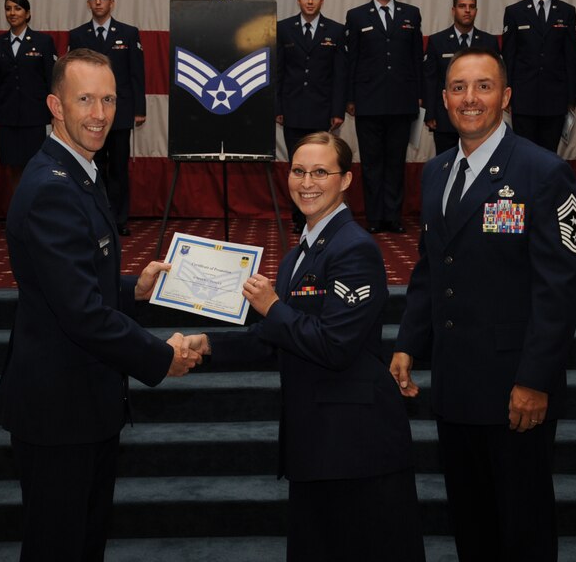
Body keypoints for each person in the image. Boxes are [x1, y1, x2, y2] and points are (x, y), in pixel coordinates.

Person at [182, 132, 425, 562]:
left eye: (320, 172)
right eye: (298, 171)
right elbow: (278, 339)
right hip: (317, 443)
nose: (306, 182)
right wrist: (208, 345)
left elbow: (335, 346)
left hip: (357, 447)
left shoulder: (355, 249)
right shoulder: (300, 255)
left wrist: (272, 307)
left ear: (346, 180)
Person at [0, 48, 200, 562]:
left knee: (83, 543)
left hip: (83, 404)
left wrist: (133, 288)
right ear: (55, 105)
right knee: (59, 547)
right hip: (59, 412)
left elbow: (74, 283)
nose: (99, 113)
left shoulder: (79, 170)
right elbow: (81, 314)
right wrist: (161, 357)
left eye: (108, 99)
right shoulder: (52, 187)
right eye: (84, 99)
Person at [390, 48, 576, 561]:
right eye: (458, 87)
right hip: (455, 386)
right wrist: (409, 343)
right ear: (444, 98)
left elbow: (558, 291)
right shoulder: (435, 173)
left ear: (506, 96)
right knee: (471, 526)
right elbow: (432, 270)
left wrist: (535, 380)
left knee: (522, 529)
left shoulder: (544, 172)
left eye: (483, 86)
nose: (470, 99)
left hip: (515, 391)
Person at [345, 0, 423, 234]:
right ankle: (375, 218)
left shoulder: (411, 14)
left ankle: (393, 216)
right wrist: (351, 98)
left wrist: (418, 96)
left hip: (402, 102)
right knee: (371, 163)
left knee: (395, 161)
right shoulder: (356, 16)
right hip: (368, 102)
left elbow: (416, 59)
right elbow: (352, 60)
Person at [68, 0, 145, 237]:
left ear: (112, 3)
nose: (98, 2)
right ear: (88, 3)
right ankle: (95, 216)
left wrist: (139, 109)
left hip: (120, 113)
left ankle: (119, 219)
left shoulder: (129, 33)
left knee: (119, 167)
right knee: (93, 165)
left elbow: (136, 74)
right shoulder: (77, 35)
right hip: (88, 113)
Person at [276, 0, 346, 234]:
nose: (310, 1)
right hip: (292, 110)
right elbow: (278, 71)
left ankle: (322, 214)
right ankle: (298, 217)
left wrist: (338, 110)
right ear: (298, 0)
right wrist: (277, 107)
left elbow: (340, 75)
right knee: (297, 166)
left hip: (323, 112)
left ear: (321, 0)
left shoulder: (336, 30)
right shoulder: (283, 29)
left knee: (321, 167)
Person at [502, 0, 576, 152]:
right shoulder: (514, 12)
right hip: (523, 99)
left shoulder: (567, 11)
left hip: (556, 100)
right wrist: (507, 94)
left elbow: (570, 58)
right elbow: (509, 57)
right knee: (523, 155)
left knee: (548, 157)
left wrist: (570, 97)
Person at [0, 0, 57, 191]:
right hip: (8, 116)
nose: (12, 13)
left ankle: (37, 214)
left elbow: (52, 79)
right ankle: (19, 213)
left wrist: (54, 113)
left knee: (37, 166)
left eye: (17, 8)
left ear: (27, 14)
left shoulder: (43, 42)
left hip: (36, 116)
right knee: (14, 167)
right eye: (8, 8)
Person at [423, 0, 499, 156]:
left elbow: (496, 81)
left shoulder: (488, 42)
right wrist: (430, 113)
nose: (467, 10)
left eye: (471, 7)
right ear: (453, 10)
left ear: (476, 12)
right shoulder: (437, 41)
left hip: (480, 118)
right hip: (446, 119)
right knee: (446, 166)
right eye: (462, 6)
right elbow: (431, 79)